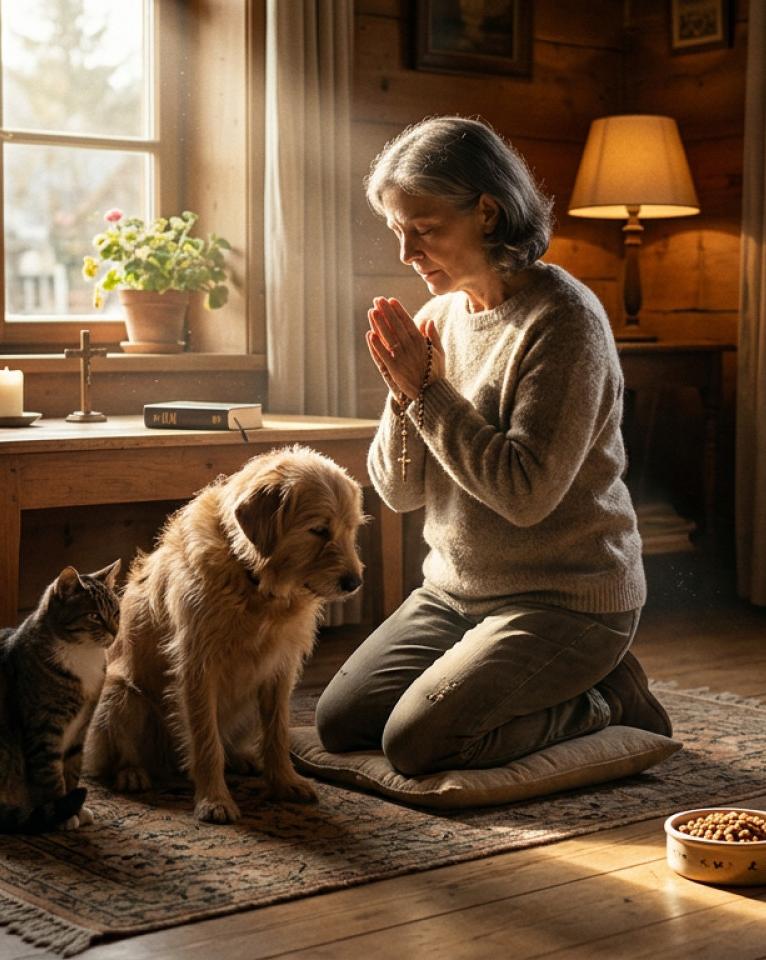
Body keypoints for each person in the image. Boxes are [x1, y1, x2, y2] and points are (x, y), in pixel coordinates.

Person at [313, 115, 672, 777]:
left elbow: (525, 494)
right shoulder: (437, 317)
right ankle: (559, 686)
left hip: (566, 601)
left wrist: (426, 392)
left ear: (487, 212)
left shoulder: (565, 320)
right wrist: (403, 393)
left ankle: (607, 697)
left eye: (424, 230)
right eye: (397, 231)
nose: (407, 253)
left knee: (419, 744)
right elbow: (397, 491)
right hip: (454, 593)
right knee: (341, 725)